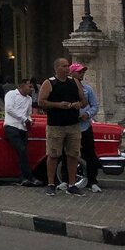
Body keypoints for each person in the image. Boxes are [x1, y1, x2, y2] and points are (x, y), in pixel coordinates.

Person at [37, 58, 87, 196]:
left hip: (73, 124)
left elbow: (84, 100)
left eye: (68, 66)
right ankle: (51, 184)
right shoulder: (49, 83)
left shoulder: (74, 82)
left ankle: (72, 184)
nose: (67, 68)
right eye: (64, 66)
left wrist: (79, 104)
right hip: (56, 125)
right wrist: (59, 105)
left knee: (73, 154)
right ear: (57, 68)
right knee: (53, 155)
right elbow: (41, 101)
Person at [71, 63, 103, 193]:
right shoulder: (65, 89)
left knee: (90, 154)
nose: (81, 75)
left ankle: (92, 181)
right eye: (79, 72)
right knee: (67, 153)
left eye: (82, 73)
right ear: (71, 73)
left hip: (84, 126)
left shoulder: (87, 89)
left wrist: (87, 114)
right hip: (69, 126)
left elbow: (95, 105)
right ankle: (68, 180)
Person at [4, 77, 40, 186]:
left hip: (23, 128)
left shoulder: (29, 99)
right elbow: (9, 109)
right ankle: (28, 176)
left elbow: (27, 113)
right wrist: (23, 119)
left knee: (23, 153)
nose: (31, 89)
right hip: (12, 126)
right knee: (22, 149)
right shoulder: (11, 94)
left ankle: (24, 177)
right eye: (29, 86)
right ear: (22, 85)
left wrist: (29, 120)